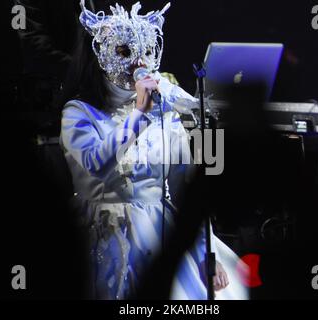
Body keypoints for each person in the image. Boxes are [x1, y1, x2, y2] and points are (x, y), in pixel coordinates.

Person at [60, 0, 248, 300]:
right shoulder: (79, 112)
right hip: (99, 233)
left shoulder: (163, 113)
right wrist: (138, 115)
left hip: (157, 230)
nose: (138, 62)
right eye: (124, 52)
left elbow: (186, 185)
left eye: (146, 52)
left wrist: (204, 251)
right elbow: (96, 163)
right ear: (100, 55)